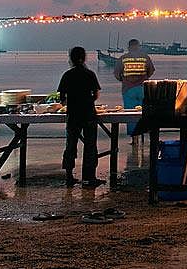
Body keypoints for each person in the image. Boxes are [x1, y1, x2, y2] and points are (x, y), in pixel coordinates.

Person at [58, 46, 103, 188]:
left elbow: (62, 98)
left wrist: (71, 103)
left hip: (73, 115)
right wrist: (87, 101)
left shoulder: (67, 75)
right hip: (89, 114)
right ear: (84, 58)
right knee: (90, 146)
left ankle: (69, 177)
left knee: (70, 145)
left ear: (70, 59)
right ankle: (89, 178)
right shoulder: (90, 74)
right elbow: (95, 95)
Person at [114, 39, 155, 109]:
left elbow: (117, 74)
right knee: (143, 112)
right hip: (142, 88)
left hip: (128, 88)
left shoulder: (123, 58)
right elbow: (151, 70)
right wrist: (145, 77)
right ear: (139, 47)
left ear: (129, 47)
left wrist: (123, 80)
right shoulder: (145, 57)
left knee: (130, 112)